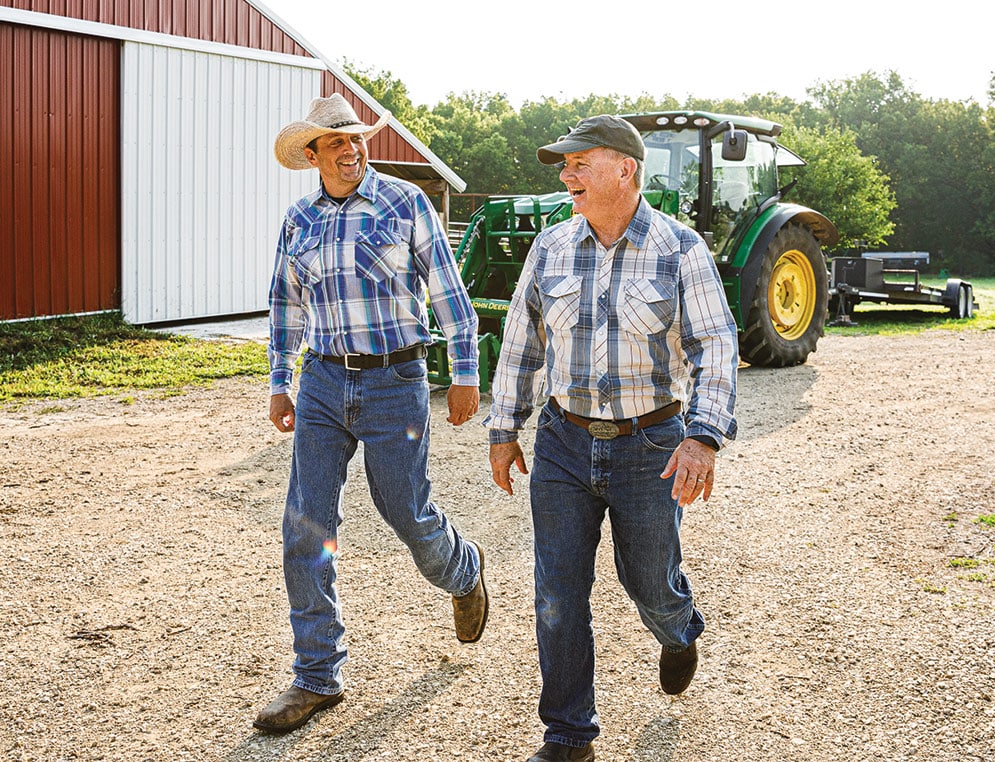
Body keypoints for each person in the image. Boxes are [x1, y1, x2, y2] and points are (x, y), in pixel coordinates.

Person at [484, 115, 738, 762]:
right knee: (557, 591)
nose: (566, 175)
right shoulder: (551, 248)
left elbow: (716, 344)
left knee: (649, 581)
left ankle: (678, 631)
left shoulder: (680, 249)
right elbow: (521, 342)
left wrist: (703, 436)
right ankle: (569, 736)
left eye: (579, 163)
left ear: (625, 168)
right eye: (564, 166)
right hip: (563, 443)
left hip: (650, 447)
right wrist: (504, 428)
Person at [255, 93, 488, 734]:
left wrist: (465, 375)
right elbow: (286, 307)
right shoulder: (299, 220)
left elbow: (450, 295)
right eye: (336, 143)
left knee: (405, 510)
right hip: (325, 381)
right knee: (305, 524)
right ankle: (316, 677)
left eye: (357, 140)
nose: (352, 150)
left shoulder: (405, 203)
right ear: (313, 155)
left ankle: (464, 573)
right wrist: (281, 382)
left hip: (396, 379)